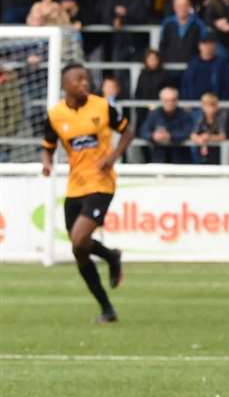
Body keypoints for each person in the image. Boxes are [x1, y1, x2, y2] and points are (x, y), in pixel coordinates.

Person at [40, 63, 133, 324]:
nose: (85, 83)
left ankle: (111, 258)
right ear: (65, 85)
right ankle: (107, 308)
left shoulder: (102, 106)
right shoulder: (56, 115)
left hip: (101, 183)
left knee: (80, 239)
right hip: (75, 186)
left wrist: (113, 157)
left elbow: (128, 131)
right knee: (79, 250)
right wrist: (46, 162)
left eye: (86, 79)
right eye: (79, 80)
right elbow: (47, 146)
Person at [140, 85, 195, 162]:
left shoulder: (184, 114)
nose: (170, 103)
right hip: (159, 158)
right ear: (161, 100)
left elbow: (189, 131)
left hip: (180, 159)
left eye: (173, 100)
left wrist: (170, 136)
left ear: (177, 100)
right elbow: (143, 131)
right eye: (166, 100)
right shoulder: (154, 114)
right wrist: (153, 136)